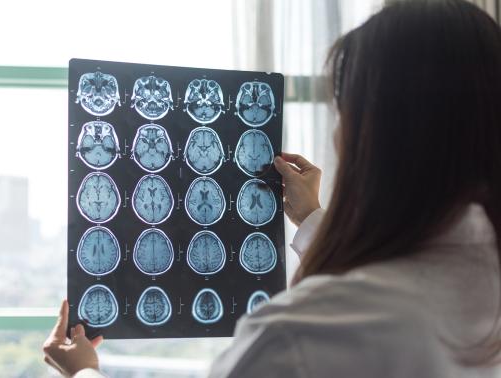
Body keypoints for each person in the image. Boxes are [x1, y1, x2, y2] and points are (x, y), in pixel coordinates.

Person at [43, 0, 501, 376]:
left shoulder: (300, 336)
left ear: (372, 136)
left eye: (343, 113)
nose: (339, 135)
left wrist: (84, 373)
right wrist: (311, 219)